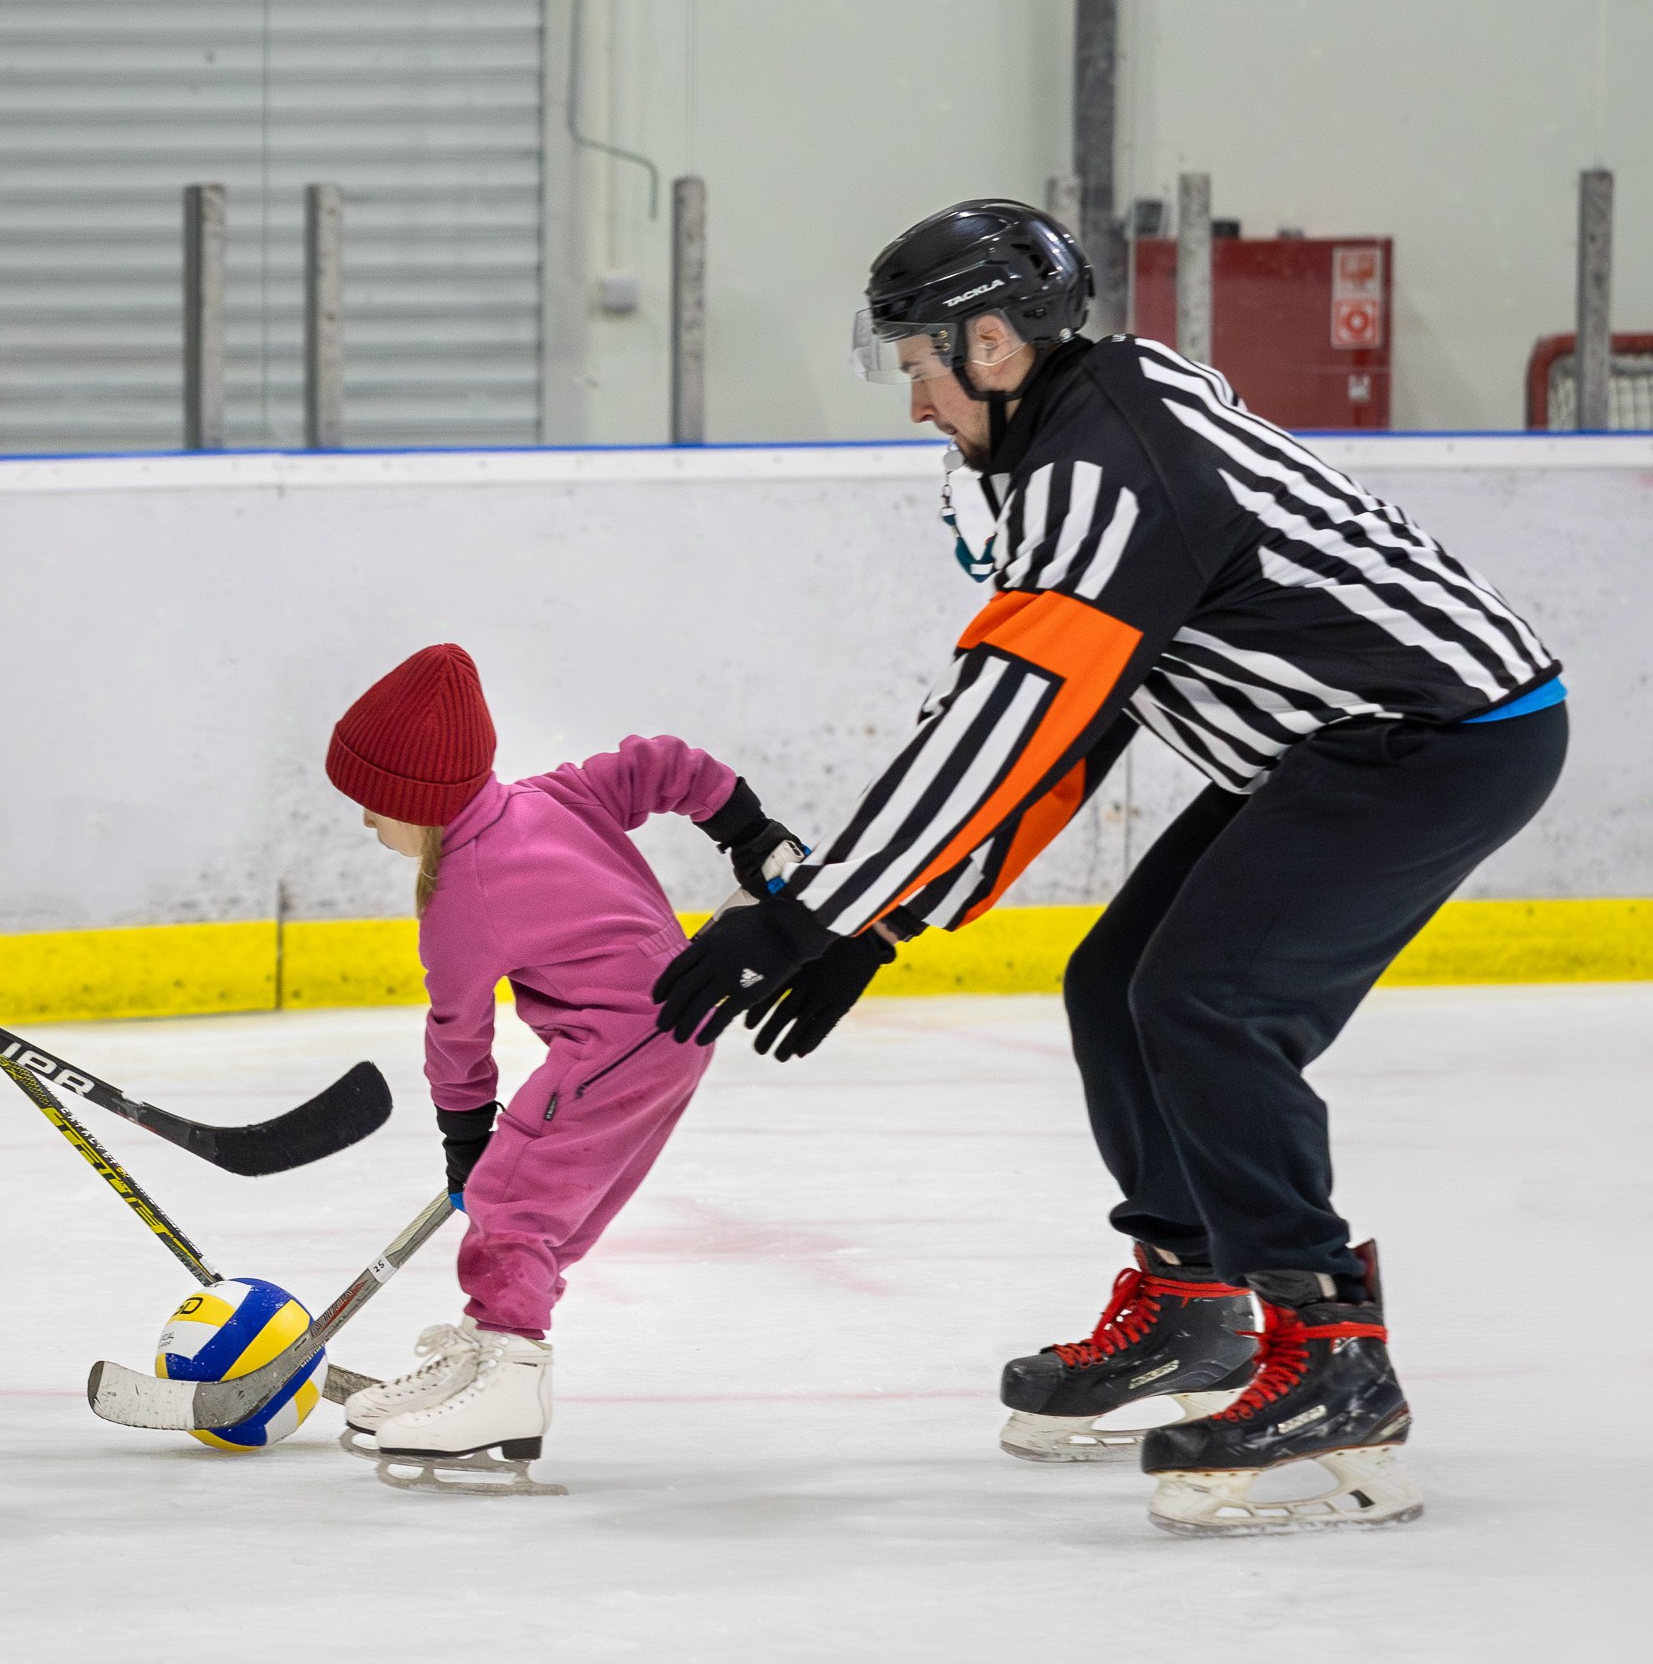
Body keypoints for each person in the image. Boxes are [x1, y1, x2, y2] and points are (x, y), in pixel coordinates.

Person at [651, 200, 1565, 1535]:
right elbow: (1066, 727)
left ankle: (1334, 1359)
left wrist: (808, 912)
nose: (912, 401)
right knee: (1118, 980)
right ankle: (1194, 1303)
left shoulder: (1106, 468)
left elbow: (1008, 713)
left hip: (1434, 737)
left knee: (1212, 1002)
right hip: (1329, 740)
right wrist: (880, 922)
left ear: (995, 344)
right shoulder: (1087, 427)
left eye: (918, 363)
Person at [326, 644, 800, 1494]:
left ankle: (509, 1381)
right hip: (675, 1020)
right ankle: (487, 1349)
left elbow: (458, 1032)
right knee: (542, 1216)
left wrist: (466, 1138)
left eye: (374, 804)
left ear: (418, 798)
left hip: (617, 1041)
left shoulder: (459, 894)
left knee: (510, 1202)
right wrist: (748, 828)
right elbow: (660, 765)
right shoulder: (552, 796)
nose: (365, 821)